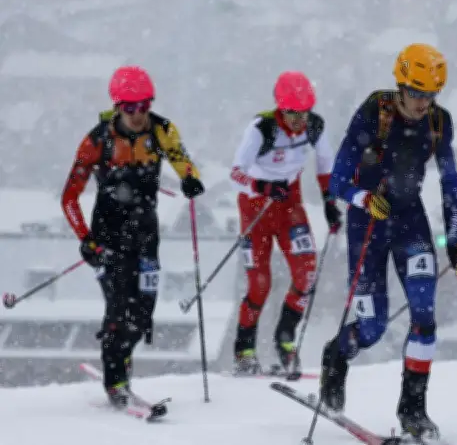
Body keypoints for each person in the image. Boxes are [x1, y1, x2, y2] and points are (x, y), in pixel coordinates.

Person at [318, 43, 457, 441]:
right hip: (365, 223)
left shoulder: (439, 122)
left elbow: (450, 180)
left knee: (425, 315)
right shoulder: (374, 113)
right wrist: (364, 197)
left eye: (431, 95)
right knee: (372, 327)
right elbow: (337, 181)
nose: (424, 104)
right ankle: (337, 356)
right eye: (417, 93)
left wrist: (454, 238)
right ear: (400, 86)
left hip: (409, 220)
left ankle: (413, 410)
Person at [60, 65, 205, 406]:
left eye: (144, 105)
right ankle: (116, 379)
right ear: (117, 106)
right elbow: (69, 197)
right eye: (130, 107)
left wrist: (189, 178)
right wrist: (86, 239)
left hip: (145, 233)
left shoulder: (162, 129)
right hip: (107, 236)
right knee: (118, 308)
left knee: (142, 314)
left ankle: (123, 359)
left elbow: (181, 159)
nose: (139, 114)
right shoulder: (98, 140)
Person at [229, 71, 342, 376]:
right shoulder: (261, 128)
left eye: (303, 112)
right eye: (292, 113)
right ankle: (244, 350)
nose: (298, 120)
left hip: (290, 203)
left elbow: (325, 165)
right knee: (259, 283)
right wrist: (262, 187)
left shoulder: (315, 127)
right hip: (257, 206)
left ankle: (285, 341)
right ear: (281, 109)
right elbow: (236, 173)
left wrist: (330, 203)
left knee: (306, 272)